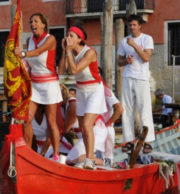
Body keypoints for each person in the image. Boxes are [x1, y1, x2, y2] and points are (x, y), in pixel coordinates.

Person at [14, 12, 62, 162]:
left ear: (43, 25)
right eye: (31, 21)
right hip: (34, 84)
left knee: (51, 122)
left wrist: (22, 53)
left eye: (36, 21)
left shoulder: (51, 39)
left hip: (49, 85)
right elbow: (28, 62)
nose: (32, 24)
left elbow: (38, 52)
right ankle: (28, 151)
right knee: (27, 119)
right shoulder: (29, 40)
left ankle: (55, 155)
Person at [58, 26, 107, 169]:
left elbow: (74, 70)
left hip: (94, 90)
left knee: (86, 125)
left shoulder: (89, 52)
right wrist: (64, 51)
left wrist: (68, 51)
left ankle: (90, 159)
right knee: (82, 128)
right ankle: (89, 157)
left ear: (80, 39)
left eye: (71, 36)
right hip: (81, 90)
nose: (68, 38)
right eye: (68, 35)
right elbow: (61, 71)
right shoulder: (70, 52)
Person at [117, 14, 155, 154]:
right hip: (127, 77)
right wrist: (126, 61)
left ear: (140, 26)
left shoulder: (147, 39)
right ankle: (128, 141)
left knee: (144, 108)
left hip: (141, 78)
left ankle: (148, 141)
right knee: (126, 109)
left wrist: (134, 45)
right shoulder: (123, 41)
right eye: (130, 25)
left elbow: (146, 58)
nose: (131, 27)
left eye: (134, 25)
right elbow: (119, 62)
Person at [66, 88, 123, 167]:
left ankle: (108, 163)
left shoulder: (102, 90)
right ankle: (106, 162)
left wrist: (107, 124)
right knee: (77, 158)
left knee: (71, 159)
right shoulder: (82, 96)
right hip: (97, 130)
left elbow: (120, 109)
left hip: (98, 129)